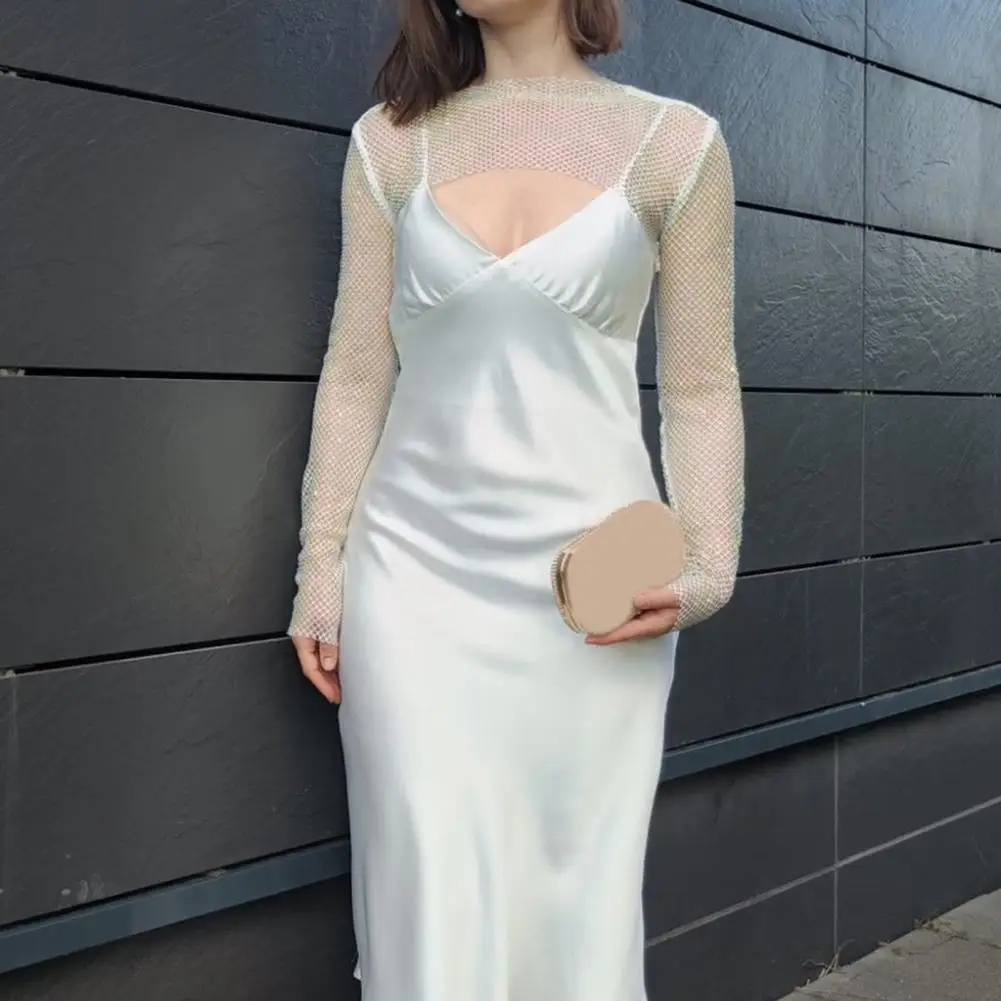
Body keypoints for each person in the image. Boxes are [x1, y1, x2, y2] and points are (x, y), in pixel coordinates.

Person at [289, 0, 744, 997]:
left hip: (592, 588)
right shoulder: (389, 145)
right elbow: (356, 373)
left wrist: (710, 563)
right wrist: (319, 568)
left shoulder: (674, 146)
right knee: (426, 901)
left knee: (574, 908)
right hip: (411, 578)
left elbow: (701, 384)